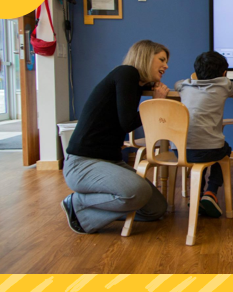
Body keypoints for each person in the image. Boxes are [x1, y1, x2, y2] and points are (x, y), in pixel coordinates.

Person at [61, 40, 170, 234]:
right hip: (83, 163)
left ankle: (90, 212)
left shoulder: (135, 83)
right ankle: (77, 202)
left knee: (156, 209)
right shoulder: (126, 73)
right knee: (138, 192)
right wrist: (156, 103)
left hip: (110, 161)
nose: (166, 65)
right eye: (161, 59)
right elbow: (127, 123)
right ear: (145, 56)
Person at [175, 51, 233, 217]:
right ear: (224, 72)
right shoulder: (223, 84)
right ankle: (211, 192)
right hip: (209, 149)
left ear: (196, 72)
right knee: (223, 150)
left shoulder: (185, 85)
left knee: (201, 152)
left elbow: (177, 84)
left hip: (179, 150)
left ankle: (197, 196)